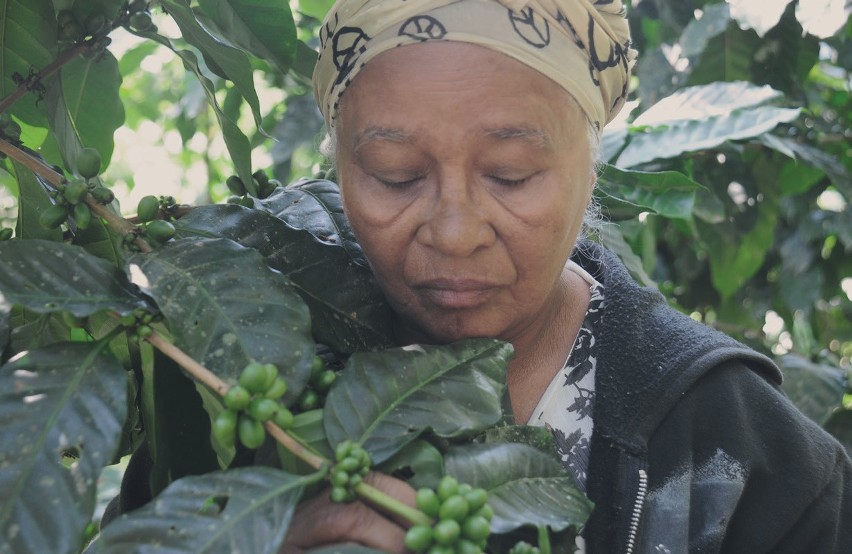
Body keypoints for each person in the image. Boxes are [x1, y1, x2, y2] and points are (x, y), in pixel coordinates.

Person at [281, 0, 852, 553]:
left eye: (510, 175)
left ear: (590, 163)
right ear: (339, 171)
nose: (454, 233)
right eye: (396, 175)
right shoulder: (250, 374)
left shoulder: (760, 469)